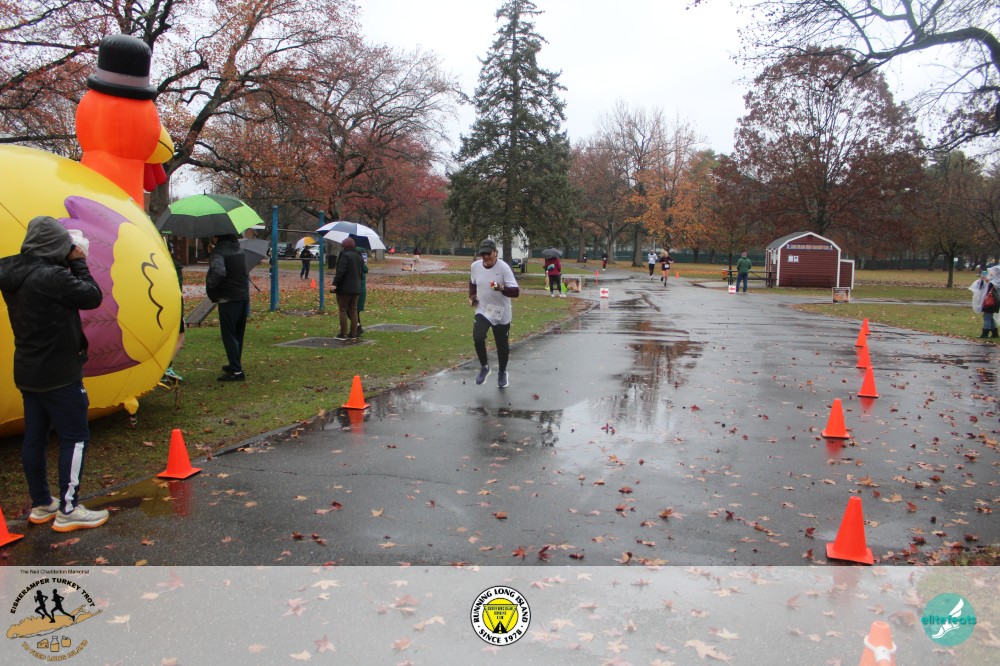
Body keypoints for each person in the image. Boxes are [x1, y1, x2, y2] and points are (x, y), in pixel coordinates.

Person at [0, 216, 109, 532]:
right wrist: (79, 262)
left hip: (29, 369)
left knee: (35, 438)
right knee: (75, 438)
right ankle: (69, 508)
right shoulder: (50, 276)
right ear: (55, 246)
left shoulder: (13, 272)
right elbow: (92, 296)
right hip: (60, 372)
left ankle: (42, 503)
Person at [469, 239, 520, 388]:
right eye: (483, 254)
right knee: (478, 336)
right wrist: (472, 296)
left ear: (495, 253)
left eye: (488, 253)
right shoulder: (475, 266)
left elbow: (516, 292)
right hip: (483, 309)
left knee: (501, 345)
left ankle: (502, 372)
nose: (486, 257)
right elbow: (472, 283)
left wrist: (501, 288)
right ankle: (484, 367)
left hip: (500, 311)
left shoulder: (503, 268)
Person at [206, 234, 250, 381]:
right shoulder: (239, 249)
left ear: (217, 236)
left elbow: (219, 272)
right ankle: (235, 363)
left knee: (229, 334)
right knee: (238, 334)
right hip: (242, 295)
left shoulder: (218, 251)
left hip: (228, 297)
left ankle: (236, 370)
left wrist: (211, 286)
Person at [332, 237, 364, 340]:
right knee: (353, 310)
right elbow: (361, 272)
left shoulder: (345, 255)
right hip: (356, 287)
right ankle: (353, 333)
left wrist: (334, 284)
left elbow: (340, 271)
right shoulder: (359, 256)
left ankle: (343, 333)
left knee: (342, 310)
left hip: (344, 288)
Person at [970, 267, 1000, 338]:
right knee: (989, 317)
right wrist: (982, 280)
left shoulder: (997, 280)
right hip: (988, 301)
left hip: (992, 302)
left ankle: (985, 333)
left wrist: (989, 282)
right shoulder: (991, 279)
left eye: (993, 271)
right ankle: (994, 333)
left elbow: (997, 289)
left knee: (987, 317)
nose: (991, 273)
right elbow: (980, 287)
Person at [356, 251, 369, 336]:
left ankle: (358, 327)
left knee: (353, 311)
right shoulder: (363, 266)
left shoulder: (358, 267)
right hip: (361, 290)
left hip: (357, 290)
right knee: (355, 311)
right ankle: (358, 327)